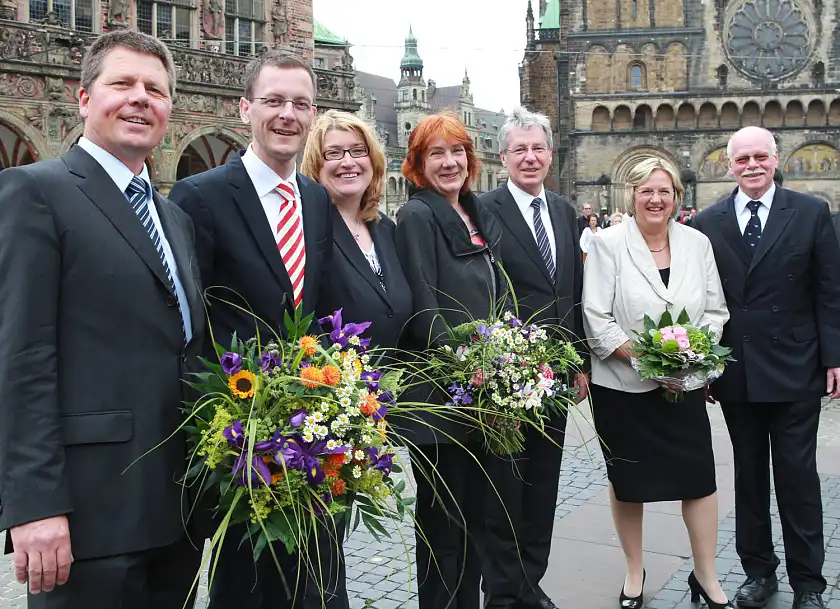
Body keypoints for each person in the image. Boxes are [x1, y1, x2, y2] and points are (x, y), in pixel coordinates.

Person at [0, 29, 204, 608]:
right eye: (123, 84)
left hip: (175, 508)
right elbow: (20, 358)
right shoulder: (34, 192)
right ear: (84, 98)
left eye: (156, 89)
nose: (141, 98)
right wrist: (35, 505)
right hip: (89, 514)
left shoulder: (173, 217)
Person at [169, 52, 341, 609]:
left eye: (300, 103)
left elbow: (309, 308)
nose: (287, 114)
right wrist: (217, 425)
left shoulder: (315, 200)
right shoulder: (203, 195)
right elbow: (191, 319)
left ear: (313, 115)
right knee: (244, 586)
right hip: (237, 433)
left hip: (306, 425)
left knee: (310, 578)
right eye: (273, 101)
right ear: (246, 109)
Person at [693, 126, 840, 609]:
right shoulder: (709, 222)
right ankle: (758, 572)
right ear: (729, 164)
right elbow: (701, 301)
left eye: (760, 156)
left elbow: (829, 291)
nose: (752, 165)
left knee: (798, 479)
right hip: (737, 369)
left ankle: (809, 585)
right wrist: (704, 364)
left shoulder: (812, 212)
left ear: (776, 159)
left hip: (796, 367)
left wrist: (833, 357)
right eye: (742, 159)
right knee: (749, 477)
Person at [582, 157, 732, 609]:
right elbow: (596, 316)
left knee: (699, 480)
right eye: (646, 190)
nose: (655, 199)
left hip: (682, 387)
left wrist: (689, 356)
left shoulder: (698, 243)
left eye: (664, 191)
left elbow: (714, 311)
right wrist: (648, 359)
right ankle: (634, 571)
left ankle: (706, 575)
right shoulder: (608, 244)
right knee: (629, 481)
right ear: (632, 195)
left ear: (677, 198)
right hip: (623, 389)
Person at [479, 106, 588, 609]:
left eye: (537, 148)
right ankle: (503, 591)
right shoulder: (483, 209)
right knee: (506, 487)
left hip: (558, 375)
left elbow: (572, 288)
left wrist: (580, 360)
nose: (529, 157)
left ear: (550, 153)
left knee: (544, 483)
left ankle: (531, 580)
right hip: (506, 375)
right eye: (519, 149)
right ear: (503, 156)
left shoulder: (564, 211)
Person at [395, 111, 504, 609]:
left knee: (476, 517)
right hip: (441, 399)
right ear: (417, 164)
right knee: (444, 523)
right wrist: (469, 362)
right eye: (435, 153)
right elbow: (423, 306)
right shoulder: (418, 214)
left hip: (479, 391)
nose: (449, 162)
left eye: (457, 151)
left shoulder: (472, 210)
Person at [301, 110, 412, 361]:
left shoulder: (386, 229)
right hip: (337, 389)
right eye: (333, 153)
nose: (348, 161)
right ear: (316, 166)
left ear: (372, 161)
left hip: (399, 389)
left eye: (358, 150)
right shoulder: (309, 230)